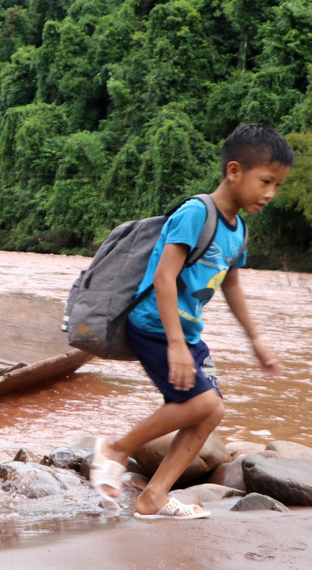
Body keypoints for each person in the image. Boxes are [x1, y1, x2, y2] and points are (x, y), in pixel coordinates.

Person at [89, 123, 294, 519]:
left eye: (277, 185)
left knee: (212, 410)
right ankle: (115, 448)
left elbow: (232, 285)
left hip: (187, 332)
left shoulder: (238, 231)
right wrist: (177, 346)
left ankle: (154, 497)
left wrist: (256, 340)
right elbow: (164, 278)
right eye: (265, 181)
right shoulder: (196, 213)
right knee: (199, 402)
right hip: (153, 325)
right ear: (234, 171)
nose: (270, 194)